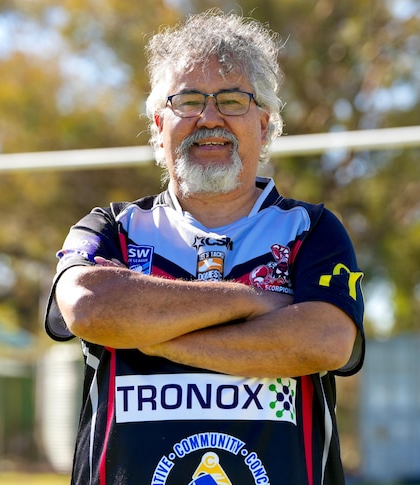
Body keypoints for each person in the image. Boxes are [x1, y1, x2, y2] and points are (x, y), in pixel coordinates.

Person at [45, 9, 365, 485]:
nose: (209, 117)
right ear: (158, 125)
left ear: (264, 123)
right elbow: (90, 307)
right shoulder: (112, 226)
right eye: (188, 100)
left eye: (232, 101)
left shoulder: (311, 230)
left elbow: (324, 341)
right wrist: (258, 302)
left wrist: (144, 332)